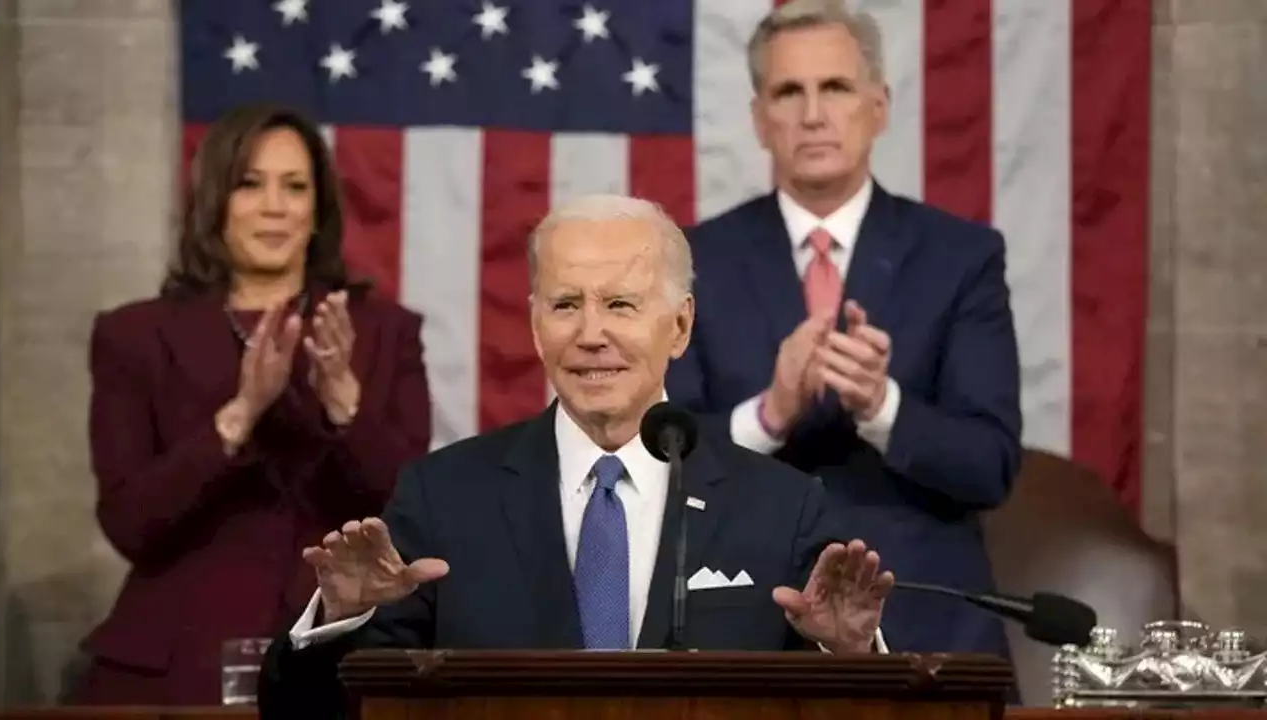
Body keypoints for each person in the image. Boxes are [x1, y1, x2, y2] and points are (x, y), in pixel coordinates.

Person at [255, 194, 894, 717]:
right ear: (536, 328)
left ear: (679, 327)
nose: (592, 335)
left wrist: (853, 657)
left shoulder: (780, 508)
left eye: (620, 304)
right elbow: (326, 714)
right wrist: (340, 619)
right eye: (566, 305)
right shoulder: (444, 499)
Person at [665, 0, 1022, 662]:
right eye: (788, 92)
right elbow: (656, 458)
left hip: (922, 625)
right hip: (744, 622)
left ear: (879, 106)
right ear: (759, 119)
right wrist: (769, 415)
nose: (812, 114)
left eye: (835, 87)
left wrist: (881, 405)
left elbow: (991, 466)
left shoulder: (961, 257)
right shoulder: (693, 260)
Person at [69, 104, 432, 704]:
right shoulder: (134, 336)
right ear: (215, 202)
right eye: (249, 184)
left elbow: (409, 508)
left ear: (318, 209)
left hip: (341, 661)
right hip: (180, 664)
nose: (274, 206)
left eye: (294, 187)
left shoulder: (382, 332)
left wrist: (344, 403)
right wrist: (237, 416)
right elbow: (129, 522)